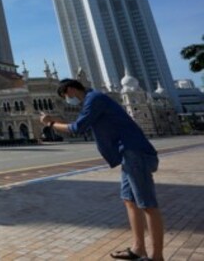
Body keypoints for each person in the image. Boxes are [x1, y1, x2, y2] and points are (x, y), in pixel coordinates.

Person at [41, 79, 163, 261]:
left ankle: (157, 257)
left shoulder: (94, 99)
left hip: (134, 152)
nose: (67, 100)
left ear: (71, 90)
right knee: (129, 201)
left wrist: (50, 124)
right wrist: (58, 121)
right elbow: (80, 124)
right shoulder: (92, 100)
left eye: (65, 96)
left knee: (147, 205)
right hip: (127, 155)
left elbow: (78, 128)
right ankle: (138, 249)